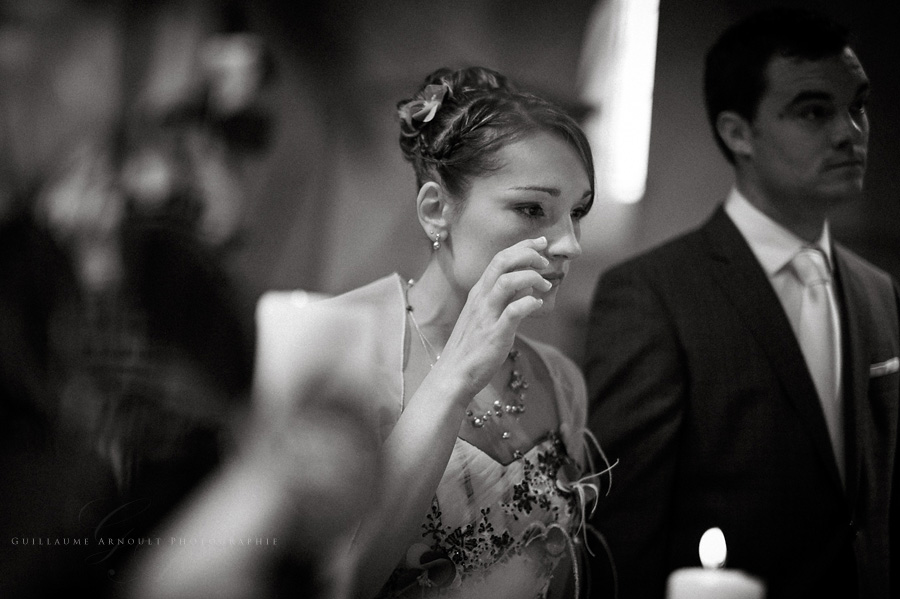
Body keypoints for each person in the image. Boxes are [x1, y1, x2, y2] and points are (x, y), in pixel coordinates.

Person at [253, 66, 608, 599]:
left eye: (576, 213)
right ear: (437, 210)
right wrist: (458, 373)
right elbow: (328, 582)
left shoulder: (560, 381)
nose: (568, 245)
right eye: (532, 208)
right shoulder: (335, 343)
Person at [583, 8, 899, 599]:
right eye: (813, 111)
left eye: (858, 104)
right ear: (737, 132)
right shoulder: (654, 295)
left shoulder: (878, 293)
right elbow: (623, 534)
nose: (850, 133)